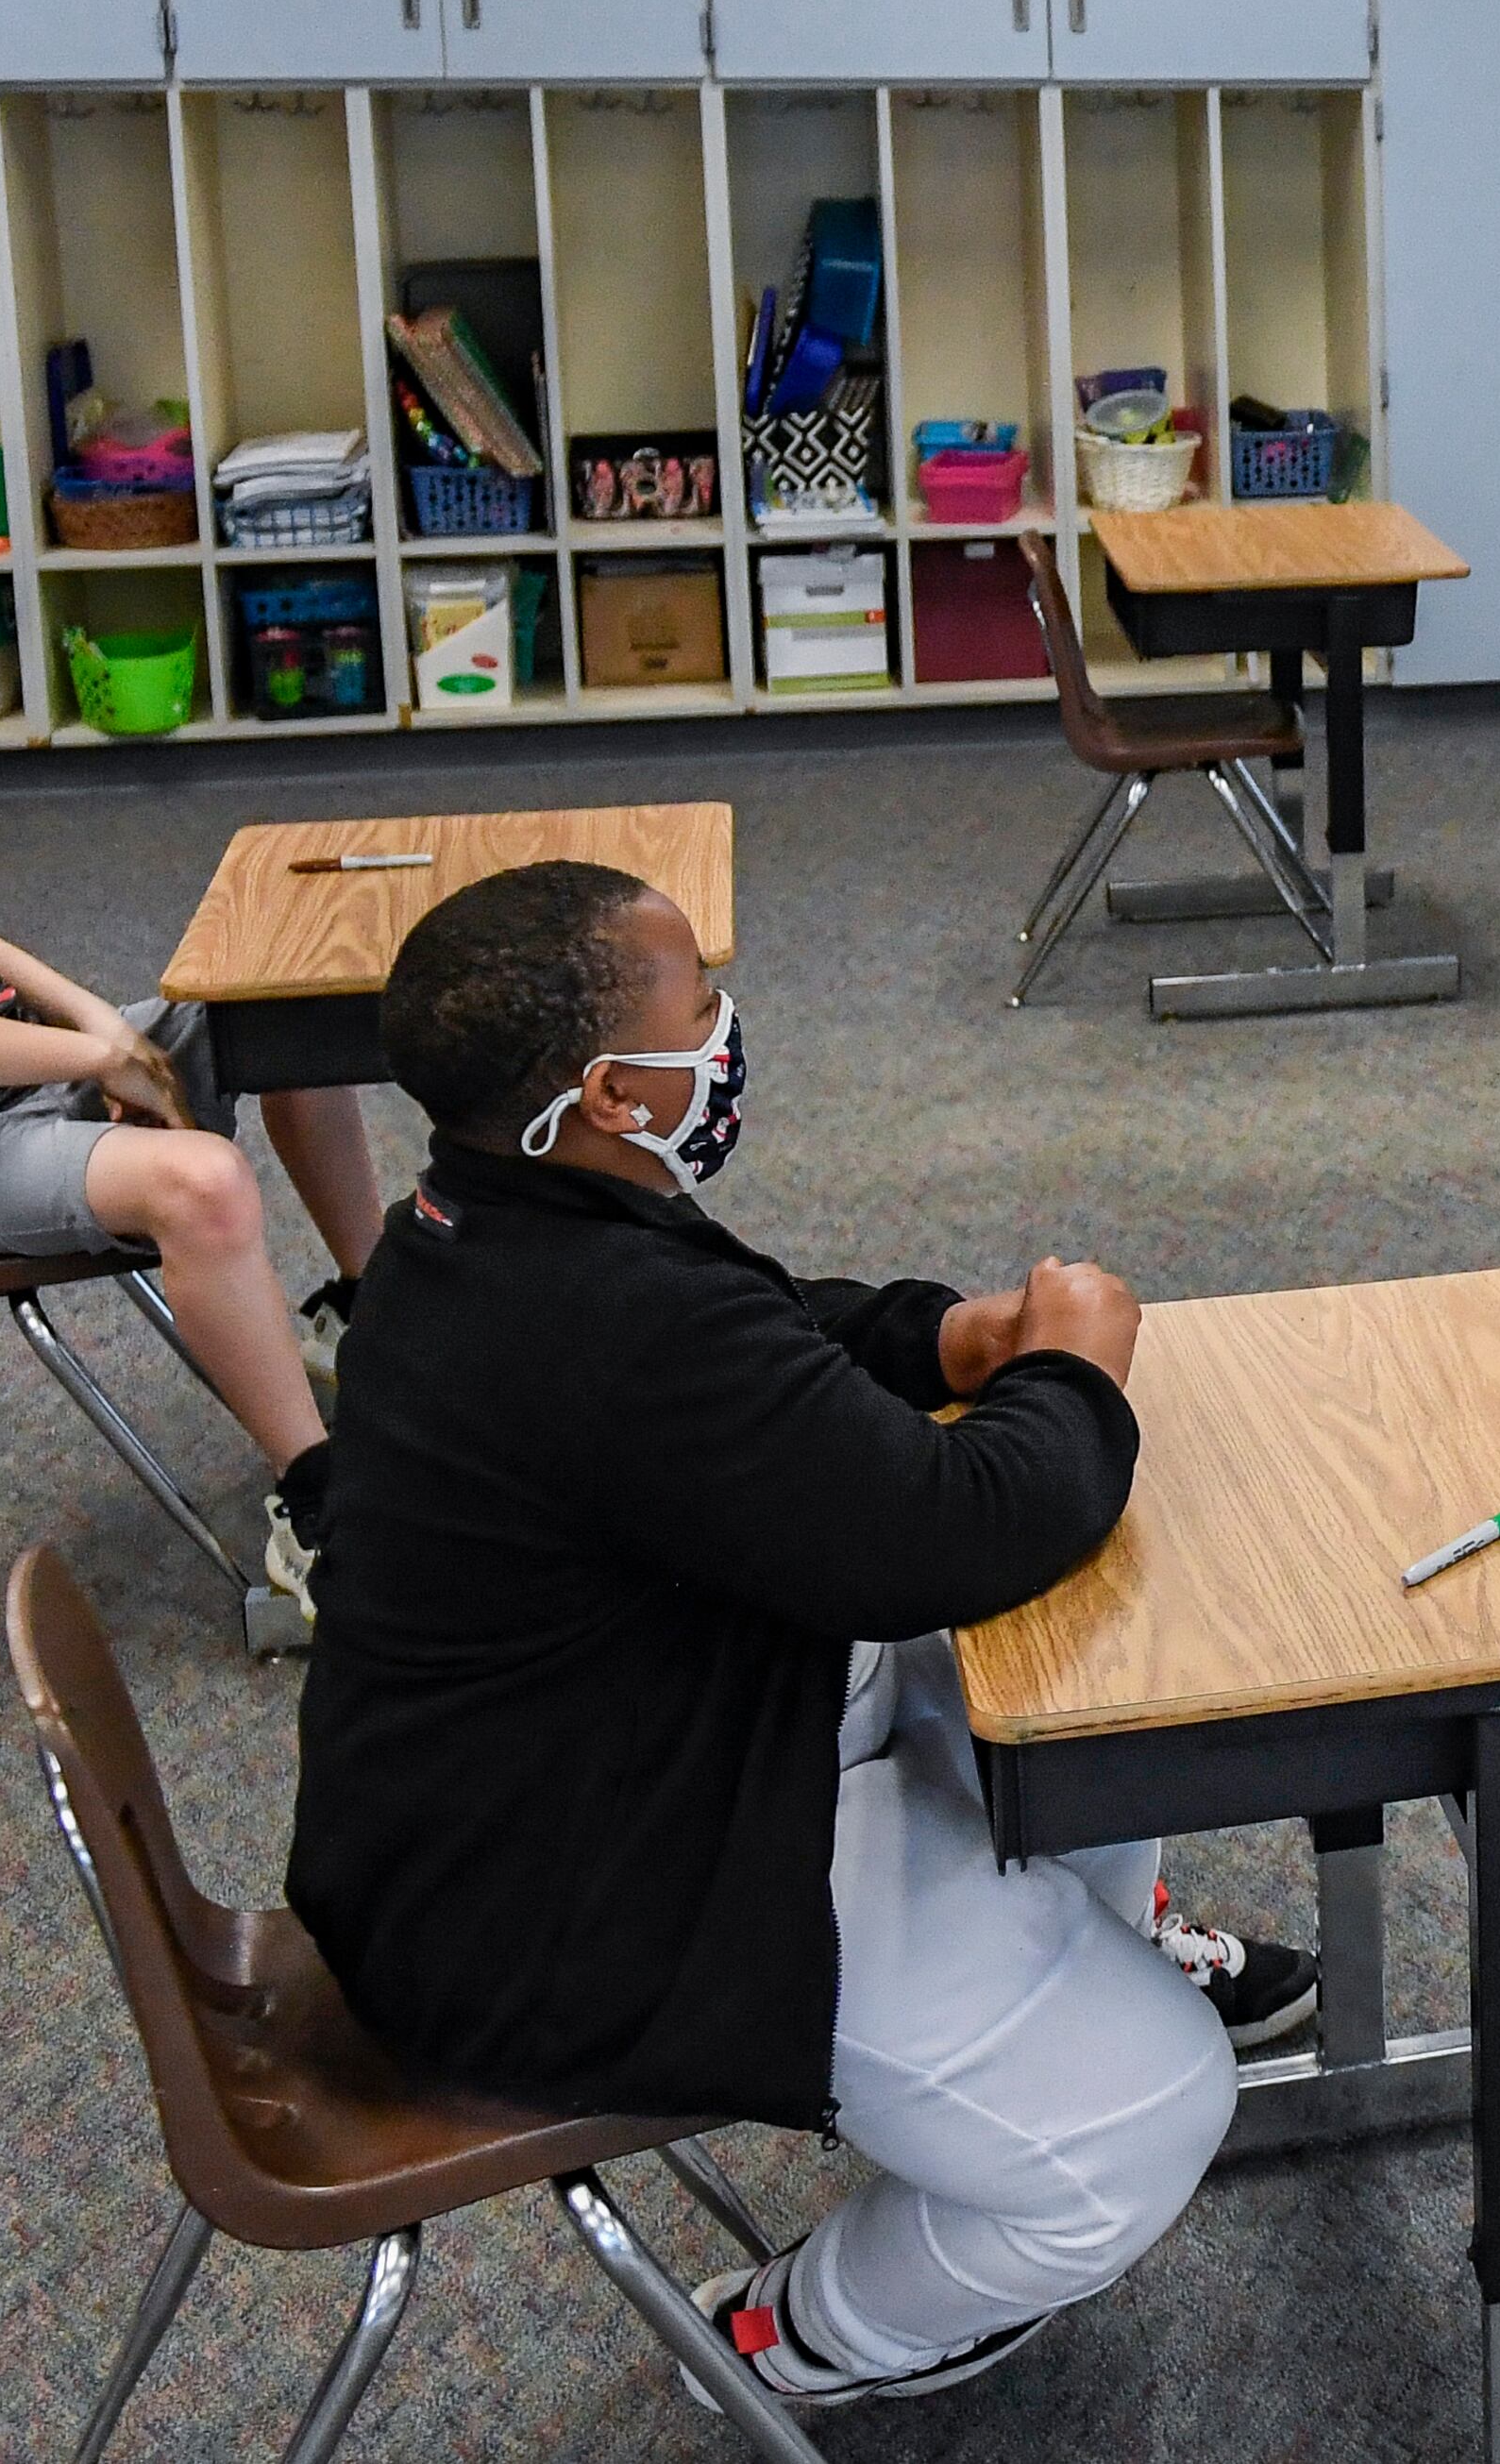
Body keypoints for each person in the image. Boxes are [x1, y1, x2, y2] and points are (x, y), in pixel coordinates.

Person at [288, 861, 1309, 2410]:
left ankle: (1091, 1941)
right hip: (556, 1919)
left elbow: (757, 1335)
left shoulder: (485, 1222)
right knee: (1151, 2106)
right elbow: (950, 1532)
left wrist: (933, 1335)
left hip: (561, 1787)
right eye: (698, 1003)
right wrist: (1076, 1377)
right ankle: (786, 2335)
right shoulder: (604, 1316)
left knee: (1075, 1688)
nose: (727, 1026)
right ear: (619, 1090)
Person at [0, 509, 381, 1618]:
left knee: (282, 1014)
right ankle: (318, 1498)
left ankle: (381, 1308)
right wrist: (93, 1051)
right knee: (204, 1185)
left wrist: (110, 1032)